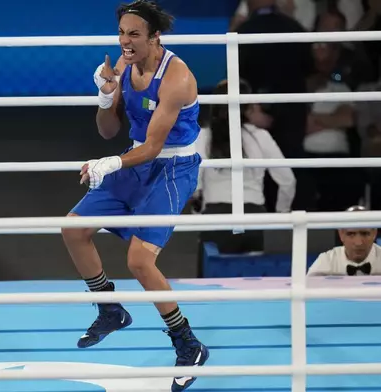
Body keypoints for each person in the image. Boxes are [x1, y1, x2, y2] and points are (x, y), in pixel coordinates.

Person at [61, 1, 208, 391]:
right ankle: (109, 308)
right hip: (133, 157)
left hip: (172, 167)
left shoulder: (177, 78)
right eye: (122, 32)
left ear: (155, 36)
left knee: (140, 261)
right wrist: (107, 97)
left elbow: (155, 147)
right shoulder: (123, 66)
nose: (125, 42)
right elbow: (108, 131)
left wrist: (109, 164)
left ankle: (187, 343)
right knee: (74, 229)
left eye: (134, 35)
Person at [194, 79, 295, 254]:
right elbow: (288, 181)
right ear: (248, 107)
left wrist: (198, 211)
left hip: (216, 217)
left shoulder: (203, 137)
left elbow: (193, 182)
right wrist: (282, 213)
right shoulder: (260, 136)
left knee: (213, 280)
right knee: (253, 278)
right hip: (254, 217)